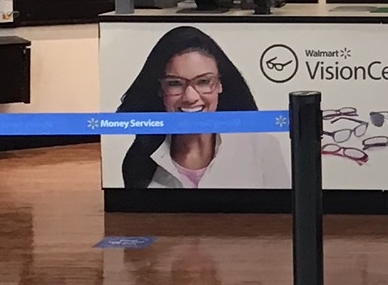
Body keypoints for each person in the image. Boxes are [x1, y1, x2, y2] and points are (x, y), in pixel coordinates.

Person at [116, 26, 285, 190]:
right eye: (175, 83)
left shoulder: (262, 148)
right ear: (160, 89)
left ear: (220, 84)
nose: (190, 97)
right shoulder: (138, 164)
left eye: (204, 81)